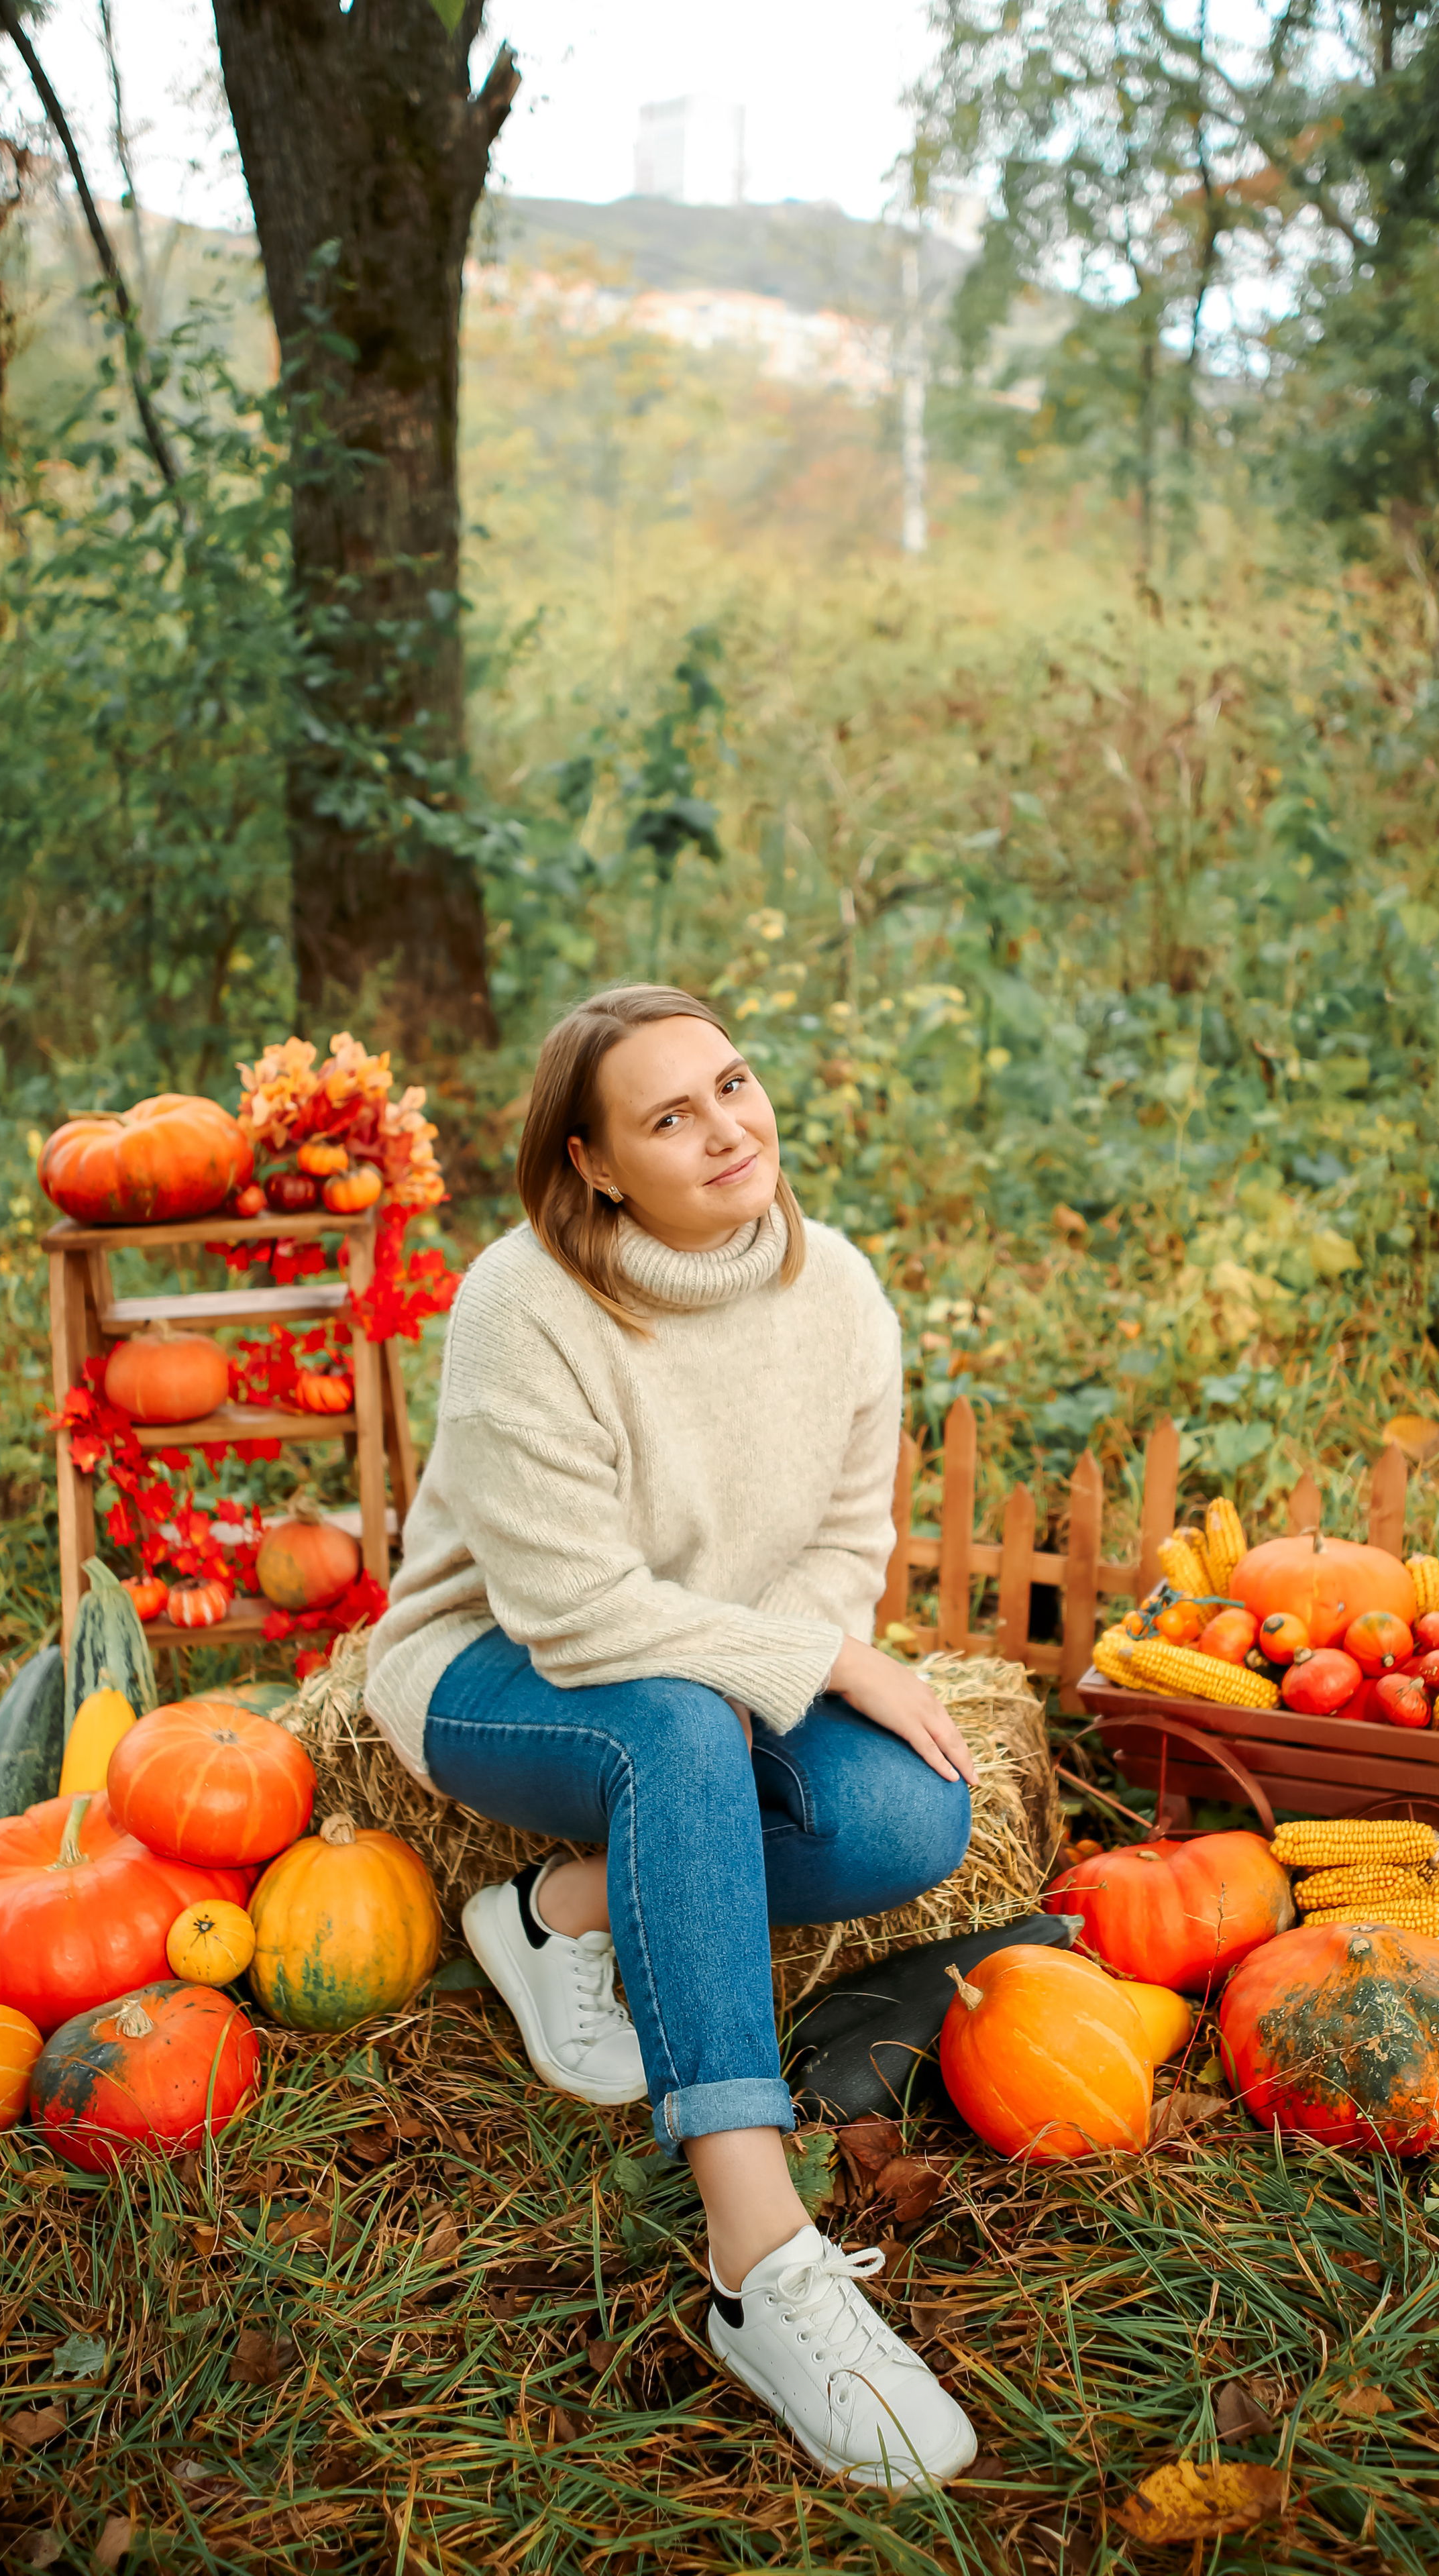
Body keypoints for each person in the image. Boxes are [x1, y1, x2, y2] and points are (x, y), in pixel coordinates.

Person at [366, 983, 981, 2489]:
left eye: (732, 1084)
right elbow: (575, 1617)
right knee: (676, 1736)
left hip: (704, 1680)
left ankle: (559, 1910)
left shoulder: (838, 1290)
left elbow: (842, 1542)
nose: (725, 1130)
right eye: (668, 1116)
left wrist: (802, 1654)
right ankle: (759, 2259)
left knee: (910, 1816)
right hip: (497, 1667)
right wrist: (822, 1662)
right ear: (590, 1163)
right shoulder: (522, 1304)